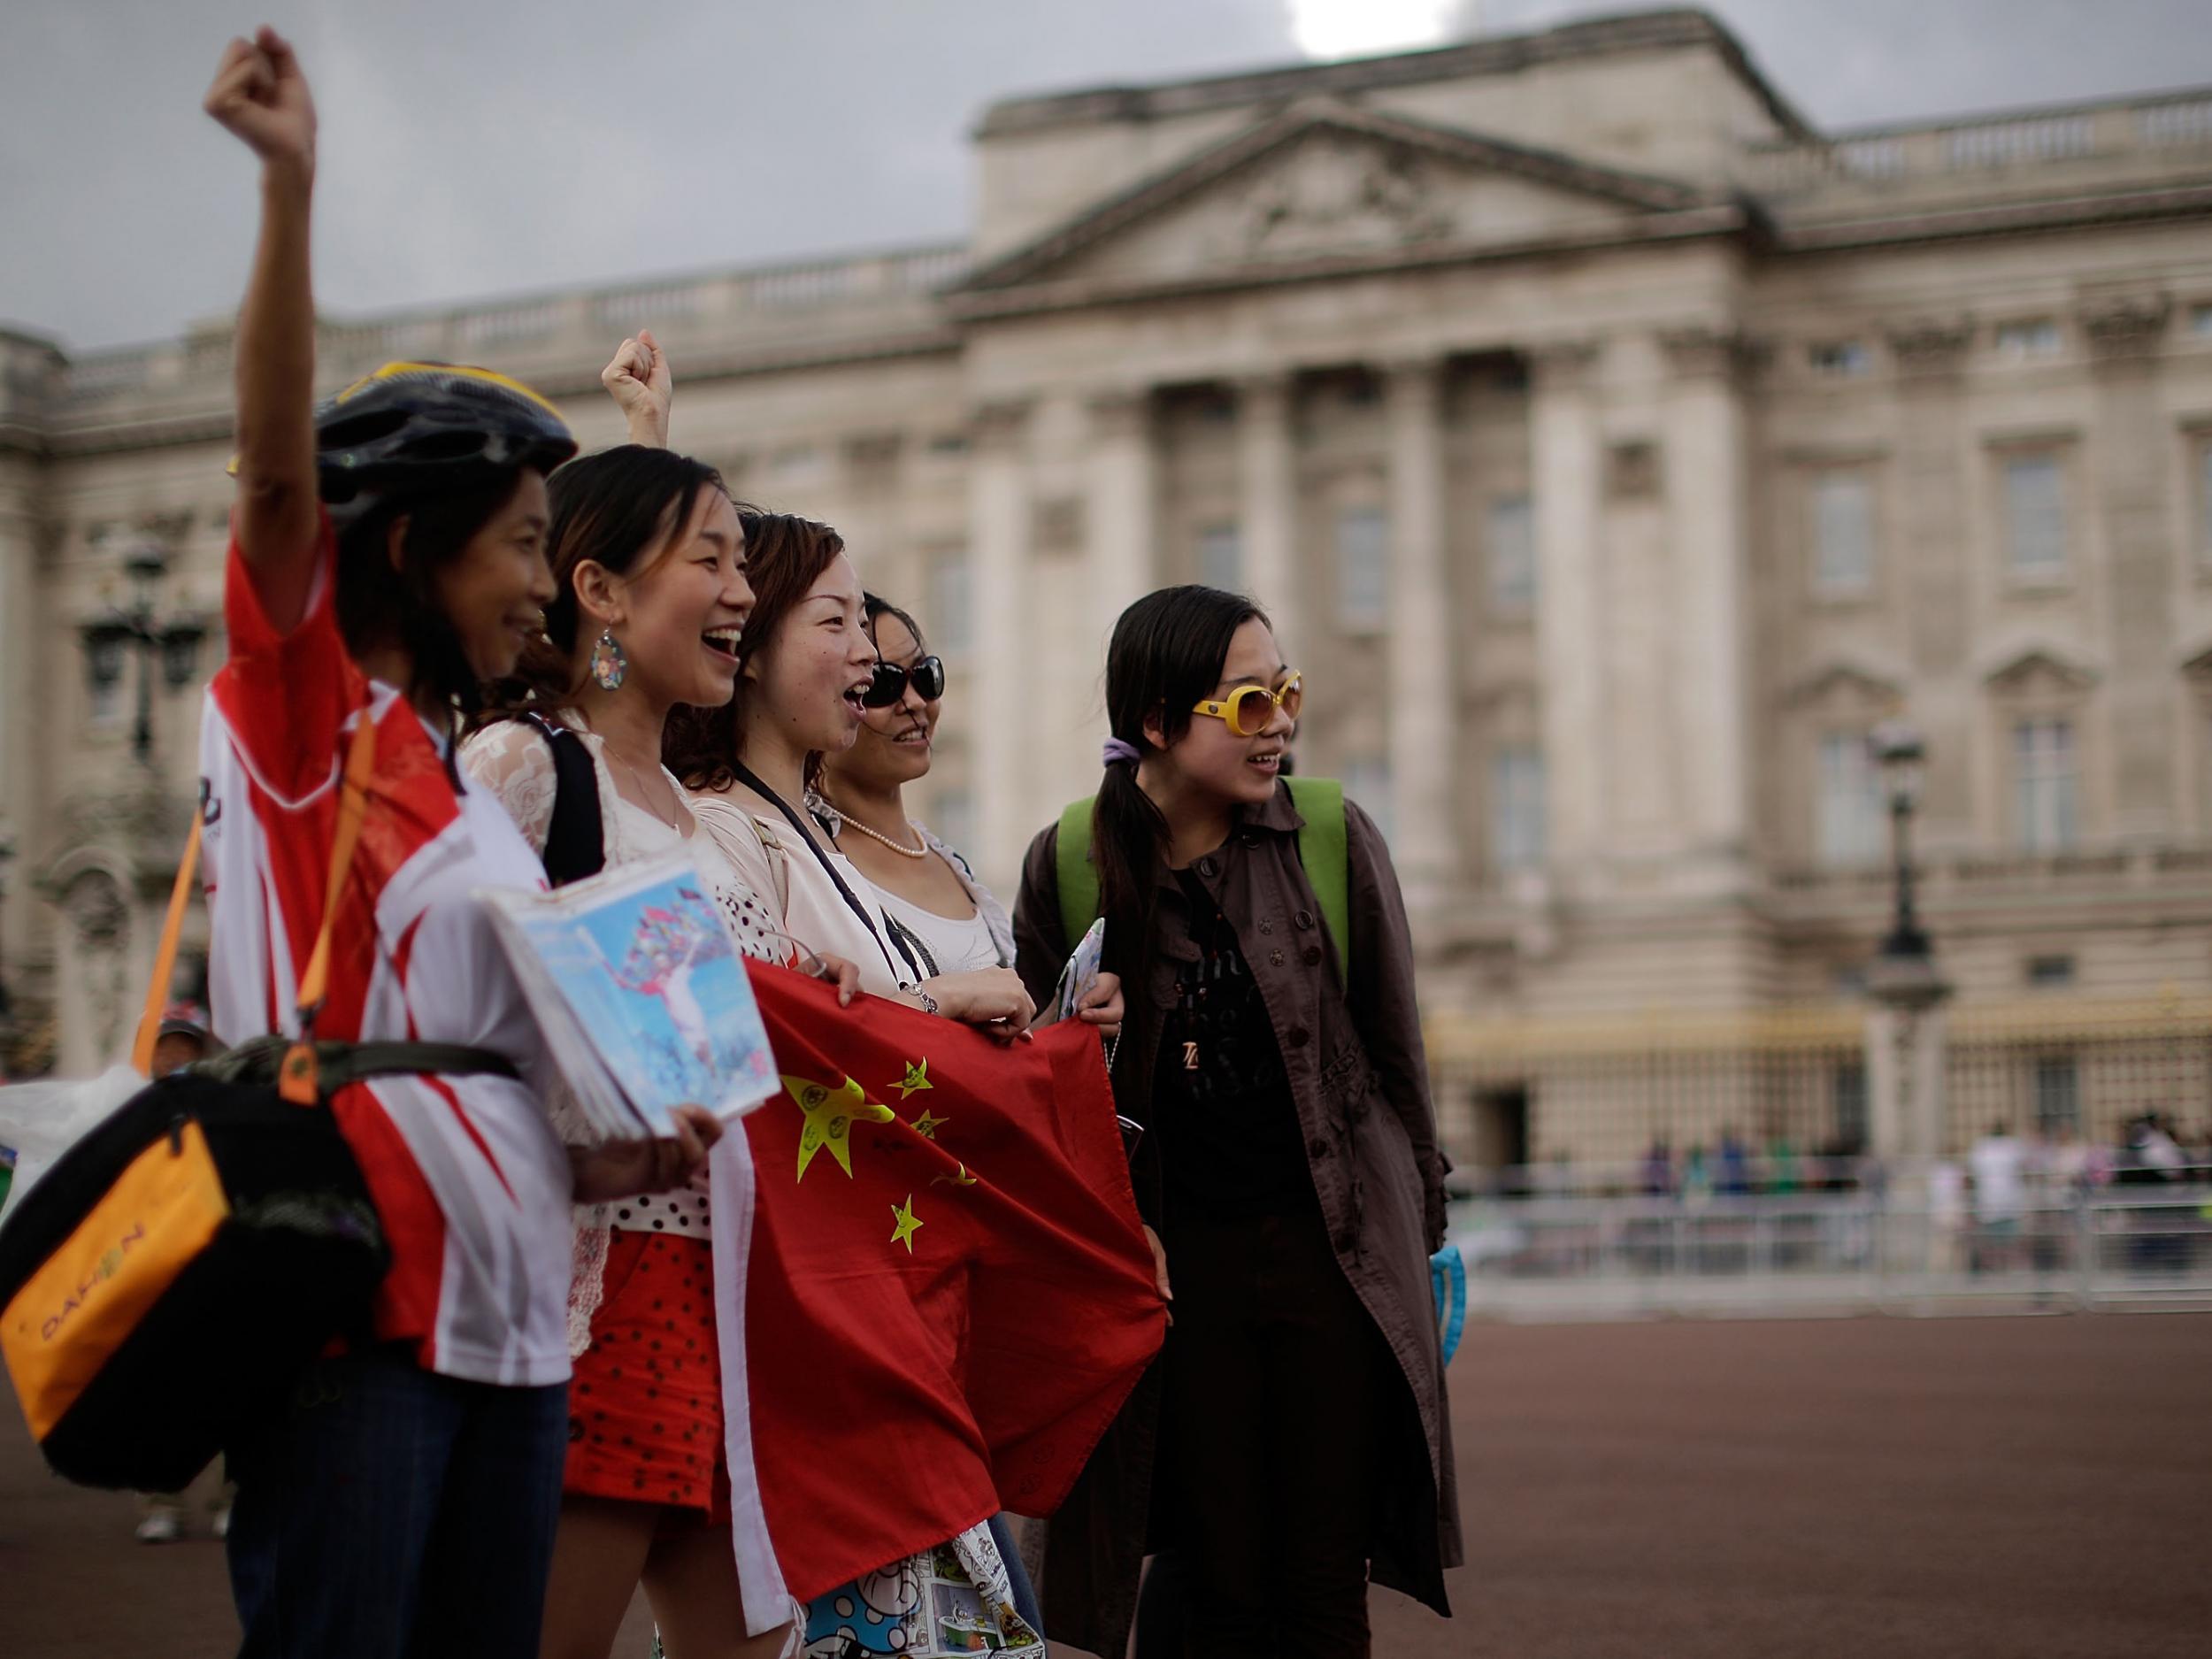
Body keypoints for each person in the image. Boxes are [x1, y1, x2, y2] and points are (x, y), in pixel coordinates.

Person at [200, 34, 717, 1657]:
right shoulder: (310, 737)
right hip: (361, 1319)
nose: (537, 583)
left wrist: (597, 1156)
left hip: (506, 1324)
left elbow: (462, 1058)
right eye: (515, 547)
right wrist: (289, 189)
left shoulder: (448, 775)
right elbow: (284, 480)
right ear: (415, 551)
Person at [1011, 585, 1460, 1659]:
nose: (1283, 726)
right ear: (1159, 722)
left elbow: (1395, 1051)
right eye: (1250, 704)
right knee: (1211, 1567)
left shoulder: (1330, 837)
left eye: (1286, 693)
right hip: (1174, 1274)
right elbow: (1032, 1083)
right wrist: (1081, 1029)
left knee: (1319, 1574)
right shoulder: (1070, 861)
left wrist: (1425, 1232)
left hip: (1333, 1256)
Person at [662, 507, 1057, 1657]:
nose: (868, 661)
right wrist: (936, 1007)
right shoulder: (721, 828)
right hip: (817, 1329)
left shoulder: (816, 844)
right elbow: (736, 1030)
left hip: (888, 1315)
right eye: (835, 622)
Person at [461, 432, 801, 1659]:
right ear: (598, 589)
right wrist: (589, 1143)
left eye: (745, 563)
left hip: (725, 1291)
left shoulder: (703, 817)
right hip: (591, 1298)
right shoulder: (523, 769)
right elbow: (433, 1035)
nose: (741, 592)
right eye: (709, 558)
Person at [135, 1005, 235, 1546]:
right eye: (167, 1046)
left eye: (186, 1047)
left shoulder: (219, 1106)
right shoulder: (128, 1111)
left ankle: (229, 1499)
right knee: (155, 1391)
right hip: (151, 1262)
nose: (175, 1056)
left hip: (210, 1259)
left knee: (224, 1384)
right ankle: (161, 1503)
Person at [1968, 1120, 2027, 1274]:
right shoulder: (2012, 1146)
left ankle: (1997, 1269)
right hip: (2003, 1201)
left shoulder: (1982, 1147)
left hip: (1994, 1201)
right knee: (2005, 1241)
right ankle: (2004, 1269)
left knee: (1995, 1241)